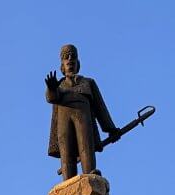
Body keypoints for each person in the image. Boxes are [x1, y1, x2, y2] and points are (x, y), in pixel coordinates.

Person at [45, 44, 119, 179]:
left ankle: (90, 172)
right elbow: (51, 98)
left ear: (78, 62)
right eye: (66, 57)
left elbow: (100, 107)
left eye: (73, 56)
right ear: (62, 64)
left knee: (86, 143)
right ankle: (67, 180)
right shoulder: (59, 86)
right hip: (64, 122)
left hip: (83, 118)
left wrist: (111, 129)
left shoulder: (88, 83)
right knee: (66, 150)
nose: (70, 59)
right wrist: (51, 88)